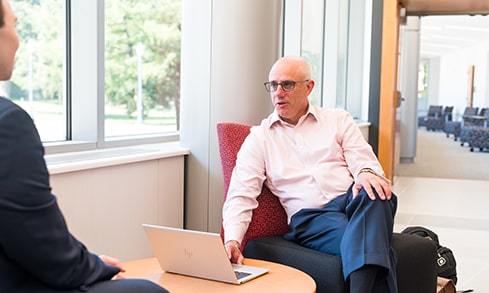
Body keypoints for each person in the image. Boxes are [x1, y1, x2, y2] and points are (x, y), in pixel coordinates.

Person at [0, 1, 169, 292]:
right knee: (146, 289)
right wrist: (95, 268)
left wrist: (87, 262)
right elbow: (44, 246)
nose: (18, 38)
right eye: (14, 25)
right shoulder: (8, 122)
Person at [222, 56, 398, 293]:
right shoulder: (259, 139)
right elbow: (241, 194)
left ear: (309, 87)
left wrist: (366, 173)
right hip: (312, 218)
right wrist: (232, 239)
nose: (278, 92)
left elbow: (363, 159)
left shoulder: (338, 120)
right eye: (273, 85)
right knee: (376, 248)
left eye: (287, 84)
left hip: (352, 201)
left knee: (376, 191)